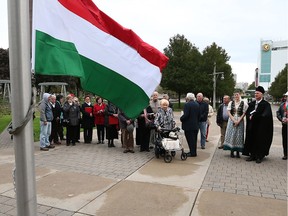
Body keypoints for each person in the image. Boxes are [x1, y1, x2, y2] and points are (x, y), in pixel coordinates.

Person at [243, 86, 273, 163]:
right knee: (251, 140)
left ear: (262, 94)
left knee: (260, 140)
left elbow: (266, 115)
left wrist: (256, 116)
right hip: (252, 126)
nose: (256, 94)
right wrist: (249, 116)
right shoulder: (251, 104)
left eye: (257, 93)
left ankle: (259, 156)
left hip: (261, 127)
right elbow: (247, 113)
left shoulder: (266, 104)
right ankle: (252, 155)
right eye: (255, 93)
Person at [223, 92, 248, 158]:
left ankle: (238, 152)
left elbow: (244, 113)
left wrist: (238, 121)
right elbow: (228, 112)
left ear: (240, 95)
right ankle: (232, 151)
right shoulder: (231, 103)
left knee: (239, 136)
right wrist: (233, 120)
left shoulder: (244, 103)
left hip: (240, 121)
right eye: (235, 95)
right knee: (232, 135)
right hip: (231, 120)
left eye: (237, 95)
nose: (236, 96)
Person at [180, 93, 200, 157]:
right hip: (195, 125)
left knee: (190, 139)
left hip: (188, 126)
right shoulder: (197, 104)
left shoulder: (187, 105)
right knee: (194, 140)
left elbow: (186, 115)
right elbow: (199, 115)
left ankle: (192, 153)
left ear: (188, 98)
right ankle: (193, 152)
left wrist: (181, 118)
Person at [276, 91, 288, 160]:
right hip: (284, 125)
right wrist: (281, 119)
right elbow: (278, 113)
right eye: (286, 96)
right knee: (285, 140)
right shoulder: (282, 105)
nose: (286, 97)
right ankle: (285, 154)